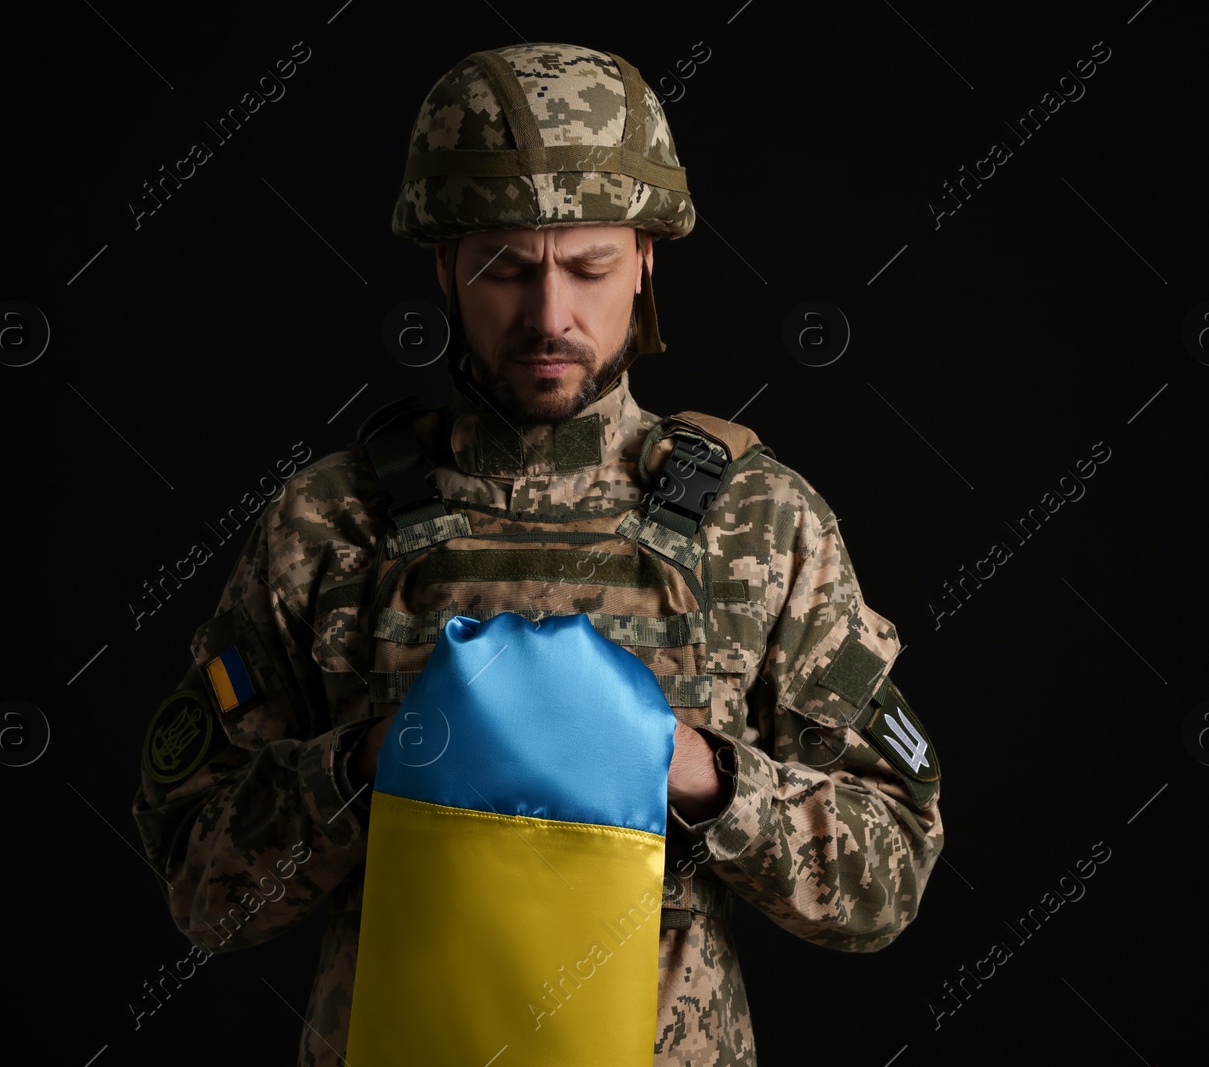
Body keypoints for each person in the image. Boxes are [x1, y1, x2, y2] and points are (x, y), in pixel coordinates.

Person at [132, 41, 944, 1066]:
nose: (550, 315)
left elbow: (889, 878)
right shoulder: (328, 524)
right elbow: (204, 890)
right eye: (506, 267)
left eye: (589, 266)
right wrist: (363, 764)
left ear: (646, 255)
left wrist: (703, 774)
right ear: (442, 264)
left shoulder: (760, 523)